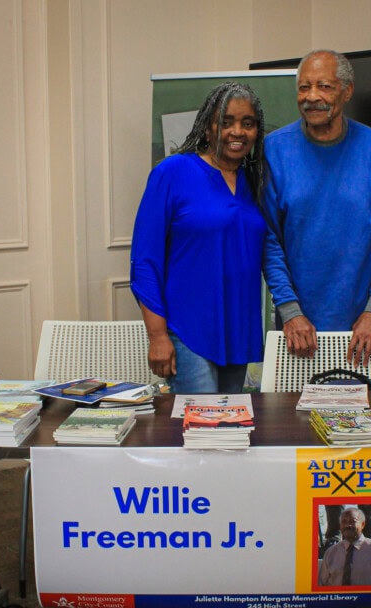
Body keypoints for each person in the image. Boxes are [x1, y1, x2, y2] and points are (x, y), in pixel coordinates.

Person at [262, 49, 371, 365]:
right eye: (304, 87)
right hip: (296, 328)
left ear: (347, 91)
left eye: (324, 86)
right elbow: (269, 239)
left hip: (363, 330)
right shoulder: (274, 149)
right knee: (292, 414)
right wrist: (290, 311)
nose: (312, 97)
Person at [130, 82, 267, 393]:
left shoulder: (254, 181)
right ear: (208, 128)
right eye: (227, 121)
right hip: (187, 331)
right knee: (201, 434)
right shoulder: (173, 172)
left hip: (238, 332)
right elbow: (144, 261)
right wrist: (157, 336)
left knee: (230, 433)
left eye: (248, 124)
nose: (238, 131)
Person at [319, 507, 371, 586]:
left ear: (362, 524)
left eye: (352, 521)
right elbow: (323, 584)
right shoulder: (330, 552)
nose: (347, 525)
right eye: (344, 522)